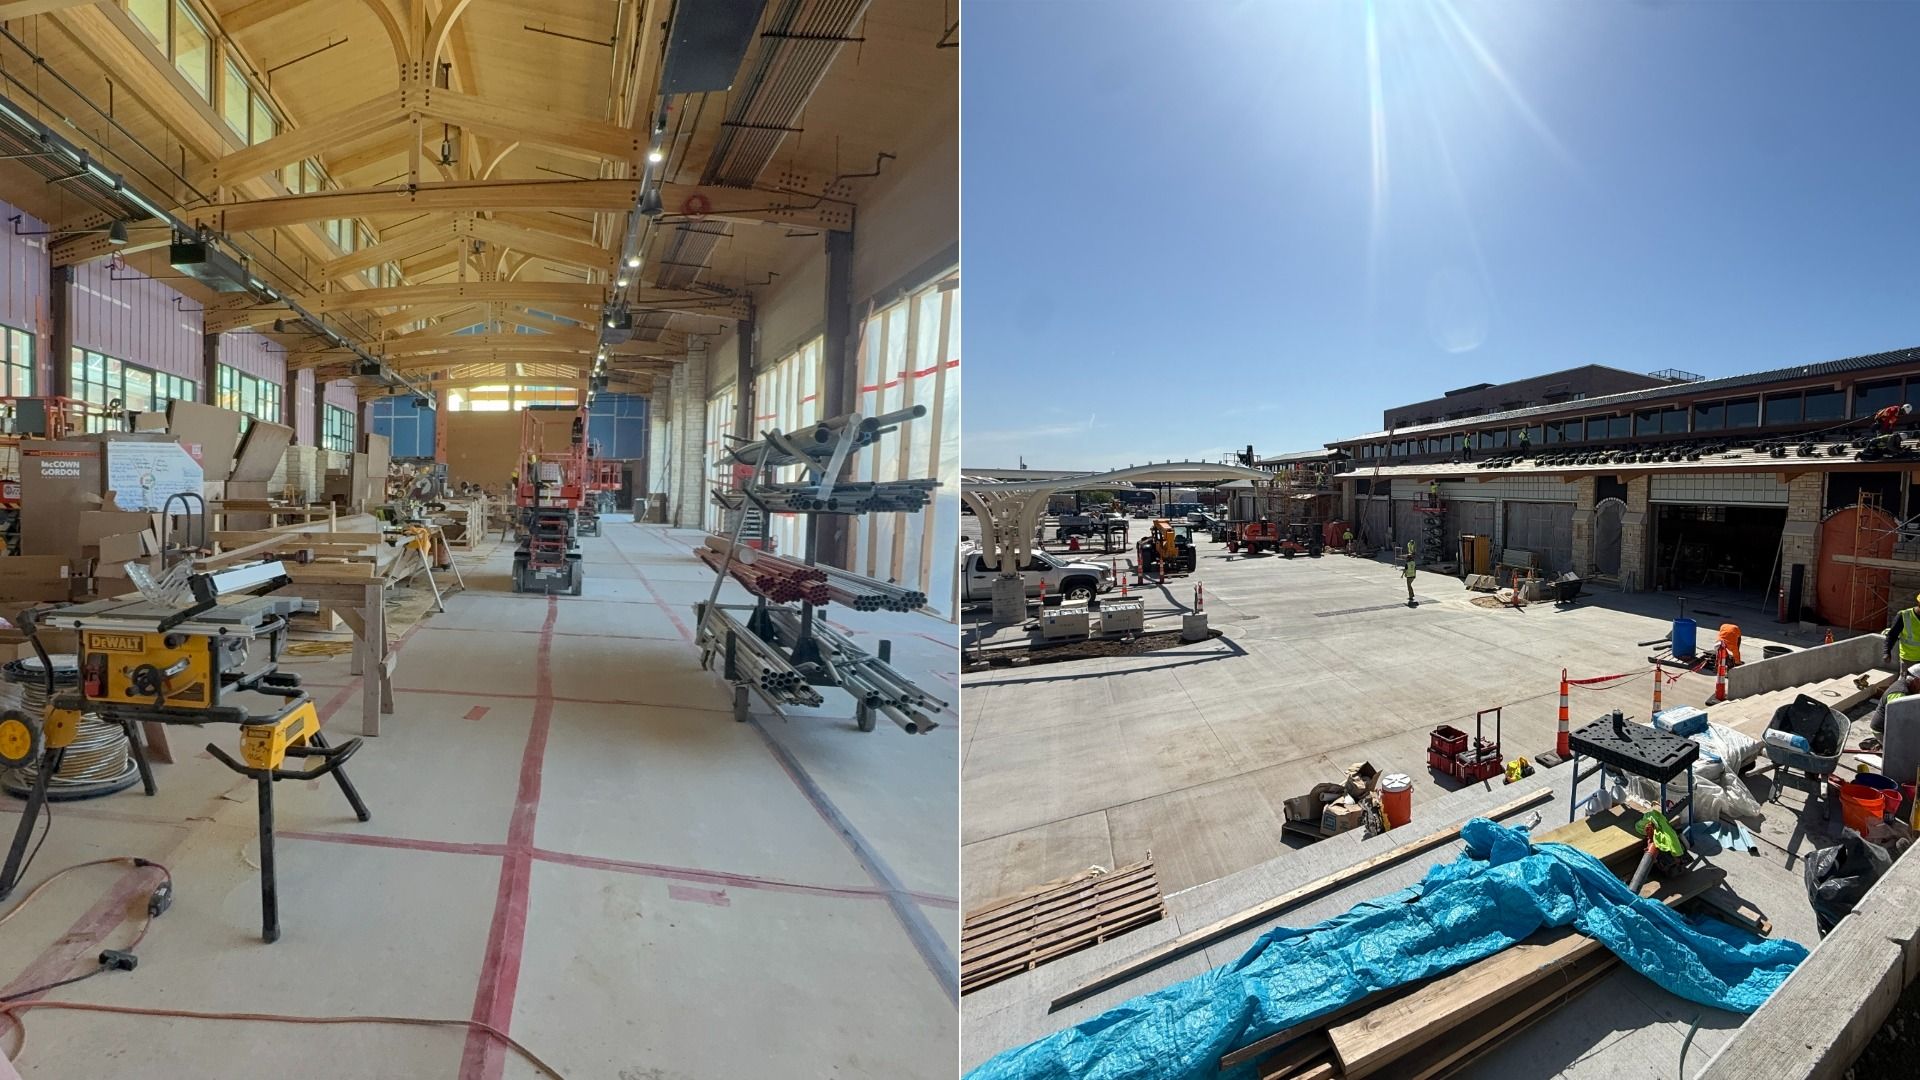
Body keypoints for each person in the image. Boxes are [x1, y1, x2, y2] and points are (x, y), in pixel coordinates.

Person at [1884, 593, 1920, 670]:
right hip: (1909, 659)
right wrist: (1887, 652)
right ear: (1919, 603)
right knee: (1906, 680)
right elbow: (1892, 635)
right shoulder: (1904, 615)